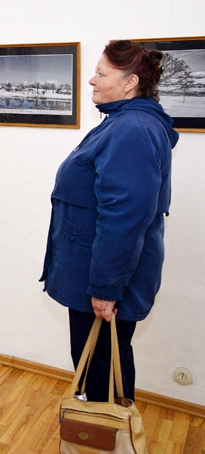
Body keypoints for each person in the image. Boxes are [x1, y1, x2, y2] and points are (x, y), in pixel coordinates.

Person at [40, 40, 179, 403]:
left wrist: (105, 288)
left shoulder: (132, 129)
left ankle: (106, 431)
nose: (92, 80)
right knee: (100, 364)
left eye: (101, 74)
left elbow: (125, 217)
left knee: (103, 370)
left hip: (102, 280)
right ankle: (103, 428)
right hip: (94, 272)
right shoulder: (123, 122)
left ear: (130, 82)